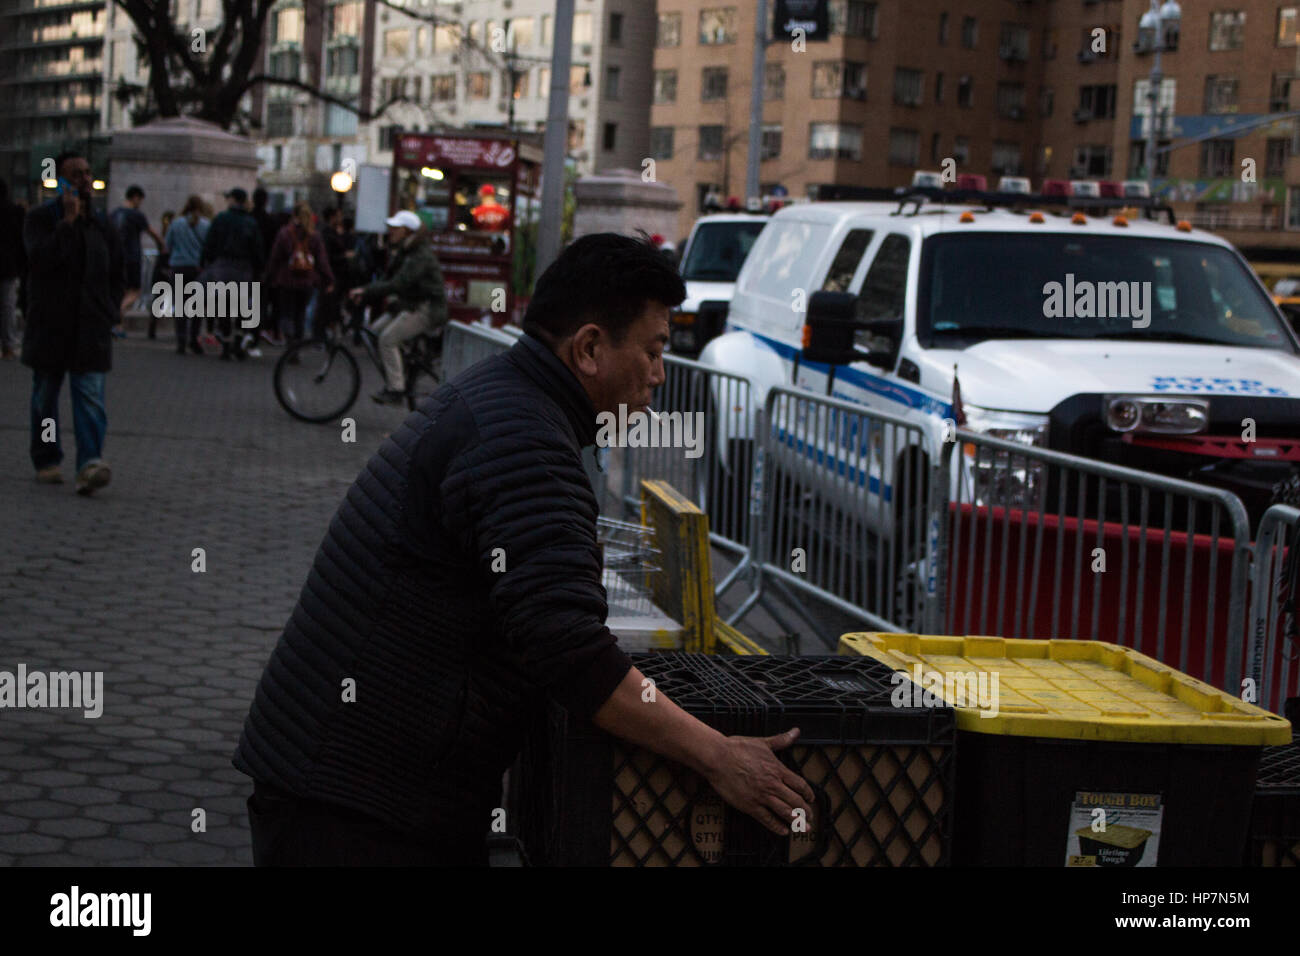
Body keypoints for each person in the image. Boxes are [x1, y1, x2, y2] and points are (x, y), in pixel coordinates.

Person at [231, 233, 814, 865]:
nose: (659, 376)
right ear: (589, 347)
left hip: (344, 779)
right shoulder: (523, 441)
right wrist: (718, 756)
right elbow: (571, 653)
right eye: (652, 351)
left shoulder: (506, 398)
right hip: (352, 804)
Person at [21, 151, 122, 496]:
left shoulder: (102, 224)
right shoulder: (40, 219)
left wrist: (111, 308)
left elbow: (117, 270)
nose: (84, 180)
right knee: (46, 397)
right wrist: (66, 222)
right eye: (75, 174)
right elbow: (39, 261)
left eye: (87, 173)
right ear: (60, 181)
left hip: (91, 326)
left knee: (90, 396)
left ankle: (89, 464)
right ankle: (47, 458)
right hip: (51, 324)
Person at [347, 210, 446, 405]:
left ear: (408, 231)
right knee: (374, 332)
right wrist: (365, 291)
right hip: (409, 305)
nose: (391, 231)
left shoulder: (420, 256)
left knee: (387, 339)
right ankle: (401, 367)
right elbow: (389, 279)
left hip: (427, 308)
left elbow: (398, 284)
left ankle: (396, 389)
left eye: (395, 228)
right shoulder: (405, 250)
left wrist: (365, 292)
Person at [200, 187, 264, 361]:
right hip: (244, 268)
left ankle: (226, 345)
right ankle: (238, 341)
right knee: (242, 306)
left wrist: (206, 263)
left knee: (224, 307)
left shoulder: (221, 219)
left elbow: (209, 244)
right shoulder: (250, 222)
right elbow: (257, 248)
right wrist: (259, 268)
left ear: (233, 200)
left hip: (223, 266)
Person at [265, 201, 334, 351]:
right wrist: (329, 279)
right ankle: (298, 343)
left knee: (287, 312)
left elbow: (275, 257)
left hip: (286, 279)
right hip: (307, 280)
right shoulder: (314, 235)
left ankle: (289, 341)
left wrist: (270, 276)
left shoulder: (285, 233)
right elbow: (322, 260)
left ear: (293, 215)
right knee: (300, 314)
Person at [110, 184, 163, 337]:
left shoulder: (115, 214)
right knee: (135, 291)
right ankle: (116, 315)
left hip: (115, 257)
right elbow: (152, 233)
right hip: (132, 257)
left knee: (120, 291)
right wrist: (162, 246)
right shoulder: (136, 215)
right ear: (136, 197)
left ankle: (118, 327)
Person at [164, 195, 211, 355]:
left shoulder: (176, 224)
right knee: (197, 307)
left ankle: (181, 340)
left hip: (178, 266)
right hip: (198, 269)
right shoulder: (206, 225)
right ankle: (194, 339)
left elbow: (167, 244)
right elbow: (210, 246)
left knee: (180, 307)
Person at [0, 177, 26, 360]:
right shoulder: (15, 212)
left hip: (8, 264)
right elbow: (21, 241)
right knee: (7, 306)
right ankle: (9, 344)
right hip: (8, 266)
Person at [319, 207, 355, 339]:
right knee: (327, 307)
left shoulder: (332, 233)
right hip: (333, 275)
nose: (340, 219)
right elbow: (327, 257)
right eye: (338, 216)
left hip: (336, 275)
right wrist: (344, 256)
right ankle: (322, 335)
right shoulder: (327, 234)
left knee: (330, 307)